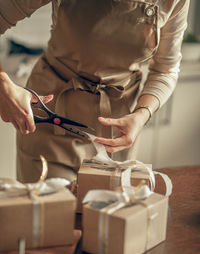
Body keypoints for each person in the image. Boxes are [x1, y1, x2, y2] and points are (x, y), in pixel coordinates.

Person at [0, 0, 190, 183]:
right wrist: (3, 85)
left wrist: (142, 114)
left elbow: (166, 70)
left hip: (116, 133)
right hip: (51, 119)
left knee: (109, 213)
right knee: (52, 211)